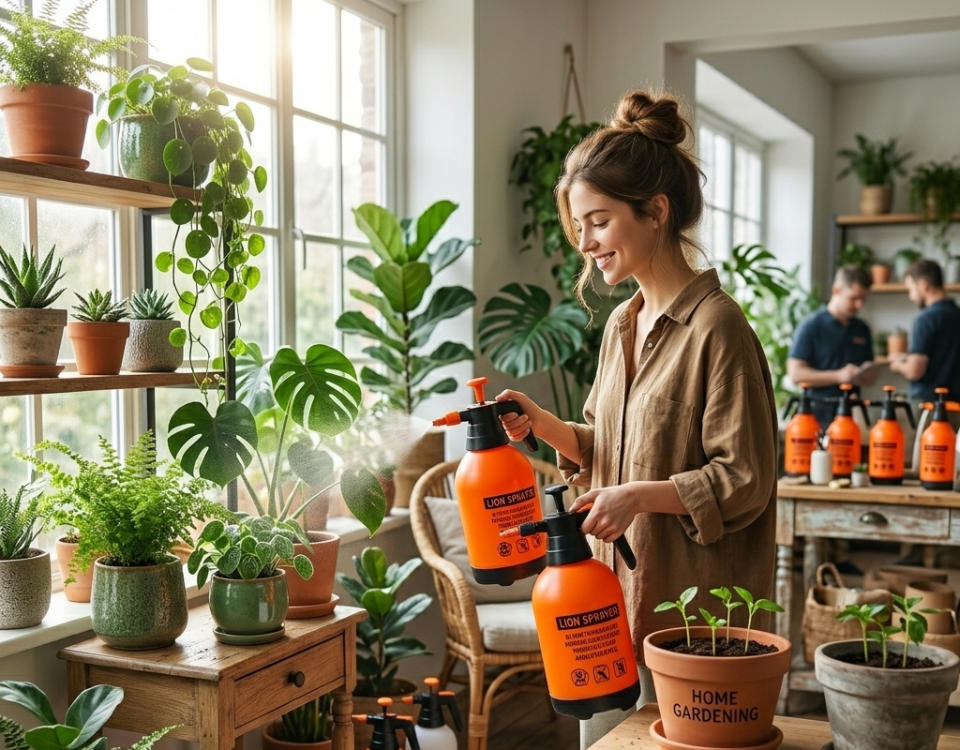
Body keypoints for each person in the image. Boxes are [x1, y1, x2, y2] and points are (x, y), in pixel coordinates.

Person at [494, 89, 778, 748]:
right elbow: (612, 447)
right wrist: (543, 424)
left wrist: (636, 498)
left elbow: (745, 479)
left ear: (655, 211)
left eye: (598, 222)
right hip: (607, 605)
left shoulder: (718, 328)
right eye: (579, 227)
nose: (586, 243)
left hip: (691, 619)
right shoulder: (622, 323)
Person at [787, 265, 876, 430]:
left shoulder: (862, 329)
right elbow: (796, 373)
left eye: (863, 299)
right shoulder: (811, 327)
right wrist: (838, 376)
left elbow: (869, 374)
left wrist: (864, 376)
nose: (859, 305)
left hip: (850, 415)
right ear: (837, 290)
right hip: (816, 415)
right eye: (853, 298)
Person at [889, 258, 960, 402]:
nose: (911, 297)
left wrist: (897, 365)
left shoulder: (925, 319)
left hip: (929, 405)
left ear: (923, 285)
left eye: (911, 290)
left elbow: (915, 371)